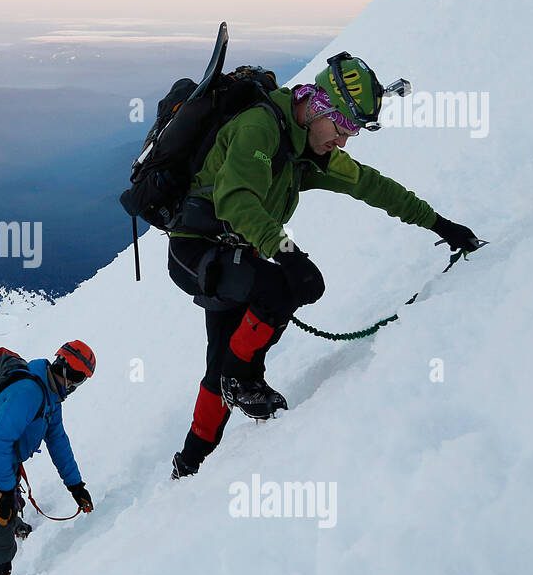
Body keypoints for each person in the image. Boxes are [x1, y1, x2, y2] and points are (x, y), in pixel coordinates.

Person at [165, 52, 483, 479]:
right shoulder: (261, 129)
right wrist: (287, 251)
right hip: (195, 250)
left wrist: (439, 224)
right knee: (279, 290)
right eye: (342, 127)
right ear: (317, 106)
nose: (343, 141)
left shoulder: (305, 150)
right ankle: (240, 381)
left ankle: (190, 462)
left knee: (224, 354)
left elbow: (370, 185)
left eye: (351, 132)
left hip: (234, 250)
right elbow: (236, 200)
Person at [0, 342, 96, 575]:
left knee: (3, 533)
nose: (74, 385)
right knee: (0, 540)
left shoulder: (52, 397)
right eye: (74, 376)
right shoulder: (30, 392)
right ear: (60, 367)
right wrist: (7, 492)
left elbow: (58, 440)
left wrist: (75, 485)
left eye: (81, 380)